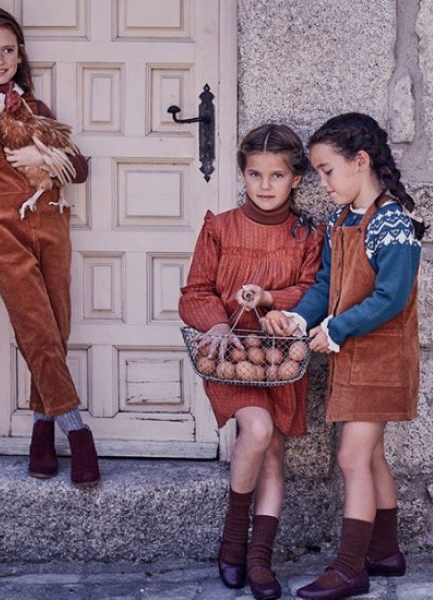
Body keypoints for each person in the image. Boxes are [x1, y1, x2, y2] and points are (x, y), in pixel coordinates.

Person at [262, 113, 425, 600]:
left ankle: (351, 567)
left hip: (382, 359)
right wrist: (299, 320)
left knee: (352, 456)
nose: (324, 183)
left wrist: (336, 328)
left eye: (328, 170)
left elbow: (391, 298)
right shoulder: (342, 220)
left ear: (360, 161)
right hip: (351, 356)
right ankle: (386, 552)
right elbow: (325, 286)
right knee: (370, 456)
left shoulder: (392, 222)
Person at [0, 7, 100, 487]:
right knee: (34, 324)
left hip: (49, 223)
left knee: (55, 324)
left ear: (19, 54)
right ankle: (76, 430)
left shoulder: (33, 104)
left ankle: (40, 428)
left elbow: (80, 167)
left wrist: (45, 155)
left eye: (8, 50)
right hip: (0, 229)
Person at [179, 124, 323, 600]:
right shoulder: (219, 228)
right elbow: (196, 290)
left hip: (280, 356)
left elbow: (310, 292)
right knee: (256, 431)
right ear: (242, 174)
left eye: (277, 175)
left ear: (296, 179)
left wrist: (270, 299)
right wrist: (217, 324)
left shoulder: (307, 235)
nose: (265, 185)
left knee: (273, 450)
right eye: (255, 174)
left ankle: (259, 557)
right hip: (233, 354)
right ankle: (231, 542)